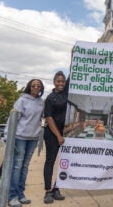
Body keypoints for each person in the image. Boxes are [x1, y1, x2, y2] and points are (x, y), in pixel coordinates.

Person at [6, 79, 45, 207]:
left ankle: (20, 194)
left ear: (41, 88)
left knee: (25, 167)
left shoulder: (41, 102)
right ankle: (12, 196)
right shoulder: (22, 100)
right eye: (33, 85)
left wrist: (40, 130)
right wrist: (7, 134)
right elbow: (13, 117)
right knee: (17, 167)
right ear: (29, 87)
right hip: (20, 137)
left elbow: (42, 119)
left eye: (38, 86)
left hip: (33, 138)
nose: (35, 87)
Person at [43, 71, 68, 204]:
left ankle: (56, 188)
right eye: (58, 81)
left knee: (64, 163)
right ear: (54, 82)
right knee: (50, 161)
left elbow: (72, 73)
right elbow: (49, 118)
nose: (61, 83)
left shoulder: (66, 93)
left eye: (63, 81)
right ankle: (47, 191)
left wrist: (73, 57)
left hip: (65, 133)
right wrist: (58, 135)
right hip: (52, 134)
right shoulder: (50, 98)